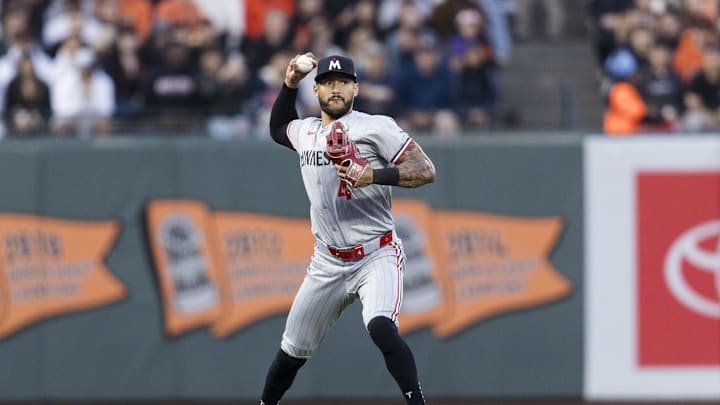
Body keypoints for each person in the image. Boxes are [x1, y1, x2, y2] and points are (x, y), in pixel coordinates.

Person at [261, 53, 437, 405]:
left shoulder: (376, 126)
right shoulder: (308, 130)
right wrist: (290, 82)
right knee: (291, 351)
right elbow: (279, 128)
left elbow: (425, 169)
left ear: (356, 87)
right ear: (318, 89)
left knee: (381, 327)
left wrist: (373, 175)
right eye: (327, 82)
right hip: (327, 261)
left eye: (342, 82)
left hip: (377, 253)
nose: (335, 88)